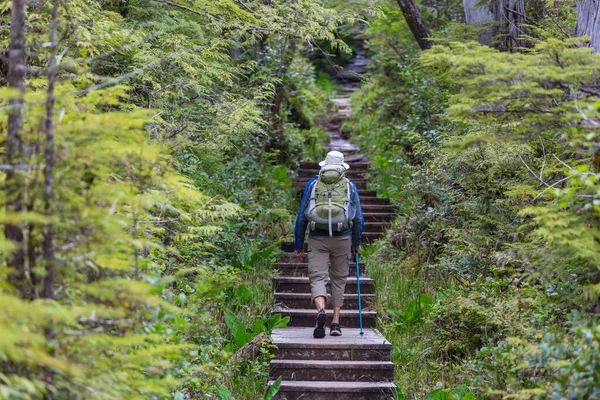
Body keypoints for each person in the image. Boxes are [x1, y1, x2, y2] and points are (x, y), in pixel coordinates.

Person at [294, 151, 364, 338]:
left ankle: (320, 311)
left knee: (317, 278)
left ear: (323, 165)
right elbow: (358, 219)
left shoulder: (313, 184)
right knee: (338, 280)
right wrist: (356, 243)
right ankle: (335, 323)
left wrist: (298, 245)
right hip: (343, 238)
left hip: (317, 238)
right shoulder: (349, 186)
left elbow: (302, 217)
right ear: (342, 167)